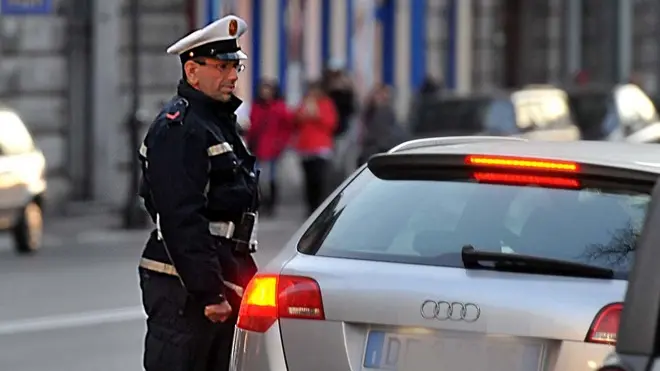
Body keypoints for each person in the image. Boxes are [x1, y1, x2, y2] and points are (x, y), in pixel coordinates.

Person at [135, 15, 259, 371]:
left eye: (236, 65)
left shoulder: (215, 122)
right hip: (185, 288)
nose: (233, 76)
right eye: (222, 67)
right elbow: (180, 217)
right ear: (192, 72)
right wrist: (209, 292)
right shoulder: (181, 128)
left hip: (220, 274)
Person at [246, 78, 294, 216]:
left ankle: (271, 204)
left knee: (272, 177)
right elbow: (253, 126)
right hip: (258, 147)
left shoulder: (279, 107)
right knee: (258, 178)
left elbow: (287, 127)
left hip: (273, 148)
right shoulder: (257, 106)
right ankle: (262, 202)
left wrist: (281, 143)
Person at [293, 81, 338, 216]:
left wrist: (317, 115)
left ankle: (320, 207)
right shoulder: (304, 103)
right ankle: (310, 207)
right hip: (305, 148)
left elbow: (331, 123)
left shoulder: (326, 104)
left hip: (321, 148)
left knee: (319, 180)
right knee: (308, 181)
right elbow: (296, 120)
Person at [357, 84, 410, 166]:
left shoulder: (385, 111)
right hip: (375, 151)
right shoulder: (372, 112)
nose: (382, 97)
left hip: (380, 150)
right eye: (380, 95)